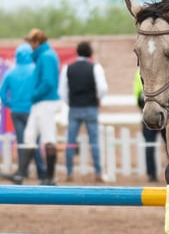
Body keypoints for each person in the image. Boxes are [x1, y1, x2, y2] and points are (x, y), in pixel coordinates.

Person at [5, 29, 60, 185]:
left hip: (45, 102)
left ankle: (50, 177)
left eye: (31, 42)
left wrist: (34, 94)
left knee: (49, 138)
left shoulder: (46, 57)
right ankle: (21, 174)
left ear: (37, 42)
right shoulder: (44, 56)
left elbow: (48, 82)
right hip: (39, 102)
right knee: (29, 137)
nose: (30, 46)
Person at [59, 41, 108, 181]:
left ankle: (69, 173)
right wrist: (97, 99)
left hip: (74, 108)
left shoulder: (67, 68)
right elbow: (103, 88)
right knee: (94, 141)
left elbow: (62, 91)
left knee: (70, 141)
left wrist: (71, 102)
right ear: (90, 53)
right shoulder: (95, 67)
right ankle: (98, 172)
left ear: (77, 52)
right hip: (91, 107)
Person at [0, 42, 46, 180]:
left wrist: (9, 103)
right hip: (33, 111)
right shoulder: (36, 70)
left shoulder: (11, 72)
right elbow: (43, 88)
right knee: (35, 142)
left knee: (21, 142)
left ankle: (23, 172)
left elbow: (2, 92)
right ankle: (41, 172)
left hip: (16, 111)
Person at [134, 69, 166, 182]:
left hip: (147, 113)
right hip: (162, 114)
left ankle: (151, 175)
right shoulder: (162, 67)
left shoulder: (139, 71)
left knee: (149, 145)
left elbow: (137, 96)